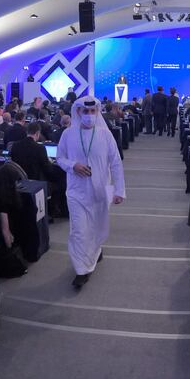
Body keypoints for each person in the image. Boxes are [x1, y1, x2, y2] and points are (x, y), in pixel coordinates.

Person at [56, 97, 125, 288]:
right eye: (85, 112)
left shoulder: (105, 134)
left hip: (102, 191)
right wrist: (73, 165)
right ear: (78, 112)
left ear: (97, 112)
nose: (89, 115)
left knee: (97, 227)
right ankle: (81, 270)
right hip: (76, 192)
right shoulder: (68, 134)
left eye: (92, 111)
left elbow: (116, 163)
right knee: (79, 230)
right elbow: (60, 158)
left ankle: (96, 250)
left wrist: (119, 190)